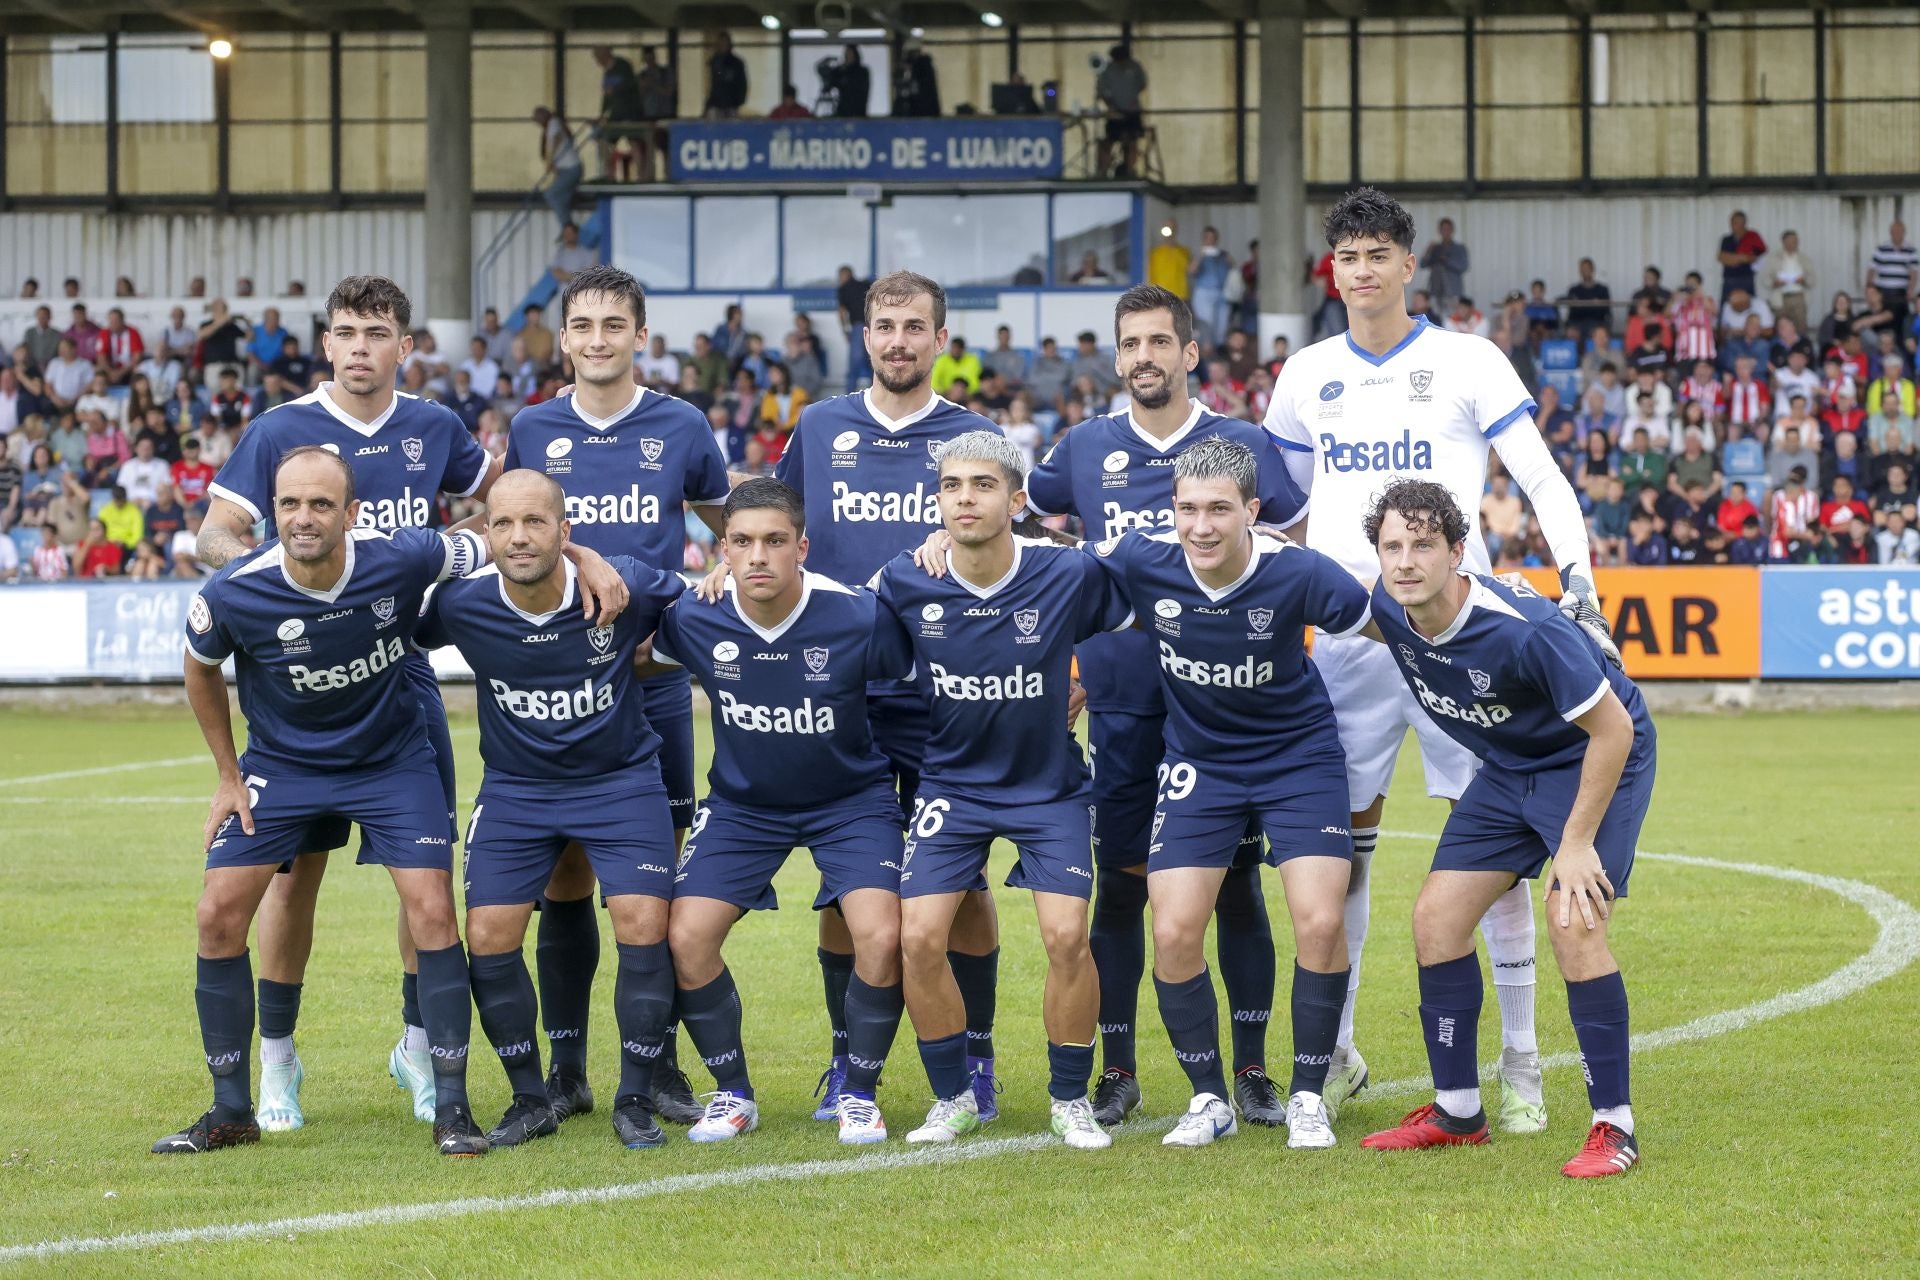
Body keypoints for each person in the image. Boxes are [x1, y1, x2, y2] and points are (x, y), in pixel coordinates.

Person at [197, 275, 625, 1131]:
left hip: (404, 677)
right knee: (291, 877)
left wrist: (578, 554)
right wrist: (255, 570)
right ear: (327, 344)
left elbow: (511, 507)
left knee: (422, 881)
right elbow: (218, 529)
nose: (361, 347)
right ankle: (276, 1059)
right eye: (347, 331)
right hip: (302, 686)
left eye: (378, 332)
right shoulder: (280, 430)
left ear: (404, 346)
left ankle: (419, 1046)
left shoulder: (435, 427)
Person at [1263, 186, 1610, 1133]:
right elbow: (1280, 510)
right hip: (1349, 640)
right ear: (1330, 269)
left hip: (1465, 638)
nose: (1363, 270)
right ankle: (1333, 1055)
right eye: (1347, 256)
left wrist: (1577, 577)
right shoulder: (1304, 375)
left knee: (1487, 842)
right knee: (1343, 840)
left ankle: (1522, 1061)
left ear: (1409, 265)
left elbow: (1538, 473)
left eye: (1378, 253)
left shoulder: (1466, 358)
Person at [961, 285, 1306, 1130]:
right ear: (1116, 359)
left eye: (1160, 341)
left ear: (1191, 353)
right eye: (1130, 344)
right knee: (1120, 886)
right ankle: (1118, 1069)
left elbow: (1293, 537)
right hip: (1120, 698)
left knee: (1231, 887)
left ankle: (1252, 1068)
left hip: (1226, 706)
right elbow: (1023, 525)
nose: (1144, 356)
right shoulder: (1083, 448)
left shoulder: (1242, 443)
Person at [153, 446, 493, 1157]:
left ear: (351, 513)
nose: (302, 519)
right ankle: (231, 1108)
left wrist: (583, 559)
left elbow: (508, 535)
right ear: (272, 511)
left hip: (392, 761)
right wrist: (226, 773)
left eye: (319, 505)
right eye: (288, 505)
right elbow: (200, 666)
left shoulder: (403, 557)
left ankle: (451, 1107)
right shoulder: (233, 590)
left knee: (431, 907)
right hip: (284, 767)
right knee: (217, 913)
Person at [737, 270, 1009, 1124]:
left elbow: (1012, 540)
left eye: (915, 327)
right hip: (839, 696)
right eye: (885, 326)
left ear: (940, 338)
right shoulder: (820, 425)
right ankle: (848, 1064)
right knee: (840, 890)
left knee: (959, 885)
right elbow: (775, 515)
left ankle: (977, 1057)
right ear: (865, 336)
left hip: (946, 697)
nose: (899, 340)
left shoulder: (974, 438)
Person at [1356, 478, 1655, 1179]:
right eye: (1391, 546)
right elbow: (1307, 578)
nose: (1405, 561)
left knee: (1573, 921)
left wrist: (1575, 844)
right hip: (1509, 764)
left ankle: (1616, 1125)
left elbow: (1610, 729)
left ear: (1459, 552)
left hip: (1594, 754)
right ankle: (1459, 1111)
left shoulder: (1525, 629)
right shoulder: (1388, 605)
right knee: (1435, 920)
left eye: (1423, 545)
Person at [1072, 437, 1362, 1148]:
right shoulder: (1145, 559)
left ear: (1252, 512)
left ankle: (1306, 1097)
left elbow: (1397, 624)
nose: (1200, 526)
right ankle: (1208, 1099)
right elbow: (1043, 576)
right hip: (1201, 764)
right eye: (1187, 509)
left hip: (1298, 759)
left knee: (1320, 923)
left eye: (1218, 510)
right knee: (1171, 930)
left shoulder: (1299, 573)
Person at [500, 263, 730, 1126]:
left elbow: (730, 532)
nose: (597, 340)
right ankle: (566, 1070)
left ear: (641, 336)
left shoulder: (681, 424)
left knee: (654, 884)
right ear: (564, 339)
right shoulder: (532, 427)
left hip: (653, 688)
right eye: (582, 325)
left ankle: (658, 1064)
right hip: (557, 689)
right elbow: (516, 534)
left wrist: (690, 604)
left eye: (613, 325)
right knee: (564, 876)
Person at [871, 430, 1129, 1150]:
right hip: (951, 784)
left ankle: (1070, 1099)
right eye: (952, 486)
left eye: (982, 485)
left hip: (1048, 788)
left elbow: (1148, 615)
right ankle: (953, 1097)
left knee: (1066, 936)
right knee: (917, 939)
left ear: (1017, 501)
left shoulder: (1067, 572)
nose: (965, 498)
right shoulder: (905, 577)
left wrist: (1090, 684)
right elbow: (829, 613)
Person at [413, 469, 685, 1150]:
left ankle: (635, 1096)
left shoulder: (623, 585)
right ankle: (532, 1096)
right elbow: (386, 625)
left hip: (620, 781)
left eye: (535, 522)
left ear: (565, 533)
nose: (518, 536)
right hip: (516, 789)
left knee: (644, 921)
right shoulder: (460, 604)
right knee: (490, 935)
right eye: (502, 523)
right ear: (486, 534)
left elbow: (703, 603)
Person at [655, 479, 911, 1145]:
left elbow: (924, 677)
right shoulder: (693, 616)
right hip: (744, 806)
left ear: (802, 547)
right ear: (720, 551)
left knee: (882, 936)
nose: (758, 556)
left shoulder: (858, 614)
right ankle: (734, 1094)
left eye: (774, 541)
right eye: (741, 542)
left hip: (851, 802)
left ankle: (857, 1093)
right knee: (685, 937)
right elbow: (627, 654)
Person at [1095, 44, 1148, 179]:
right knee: (1108, 141)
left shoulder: (1135, 67)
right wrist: (1111, 105)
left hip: (1132, 111)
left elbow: (1142, 85)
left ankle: (1130, 170)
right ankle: (1103, 171)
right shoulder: (1107, 70)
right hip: (1115, 113)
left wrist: (1131, 99)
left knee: (1132, 141)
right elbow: (1102, 92)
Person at [534, 106, 583, 229]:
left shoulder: (553, 123)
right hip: (565, 170)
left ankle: (567, 226)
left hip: (570, 169)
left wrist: (550, 161)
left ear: (543, 116)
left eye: (537, 118)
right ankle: (568, 227)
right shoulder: (553, 124)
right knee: (562, 198)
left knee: (551, 194)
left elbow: (557, 139)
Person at [1188, 227, 1234, 352]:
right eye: (1207, 238)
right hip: (1204, 291)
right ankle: (1206, 355)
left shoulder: (1222, 254)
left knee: (1221, 325)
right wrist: (1201, 255)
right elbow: (1191, 271)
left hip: (1222, 293)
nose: (1210, 240)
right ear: (1203, 239)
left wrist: (1228, 259)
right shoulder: (1199, 254)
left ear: (1217, 239)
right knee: (1206, 324)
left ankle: (1218, 352)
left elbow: (1233, 269)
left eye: (1212, 238)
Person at [1421, 218, 1469, 310]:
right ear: (1439, 231)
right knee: (1435, 321)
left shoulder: (1459, 248)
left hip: (1453, 292)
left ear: (1452, 231)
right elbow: (1422, 265)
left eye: (1448, 229)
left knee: (1452, 320)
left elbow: (1464, 267)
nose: (1445, 232)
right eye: (1443, 229)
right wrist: (1428, 250)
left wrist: (1447, 261)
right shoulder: (1435, 248)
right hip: (1435, 291)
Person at [705, 34, 748, 119]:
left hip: (731, 103)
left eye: (724, 43)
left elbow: (742, 83)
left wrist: (738, 101)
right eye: (720, 44)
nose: (722, 46)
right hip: (716, 102)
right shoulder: (714, 61)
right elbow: (714, 85)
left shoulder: (736, 63)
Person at [830, 45, 872, 118]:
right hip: (843, 111)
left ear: (855, 55)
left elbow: (861, 90)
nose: (847, 56)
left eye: (850, 54)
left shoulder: (862, 72)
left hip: (858, 111)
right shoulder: (841, 71)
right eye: (846, 54)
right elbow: (832, 82)